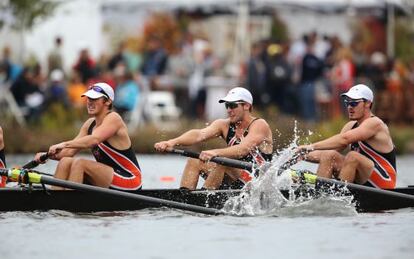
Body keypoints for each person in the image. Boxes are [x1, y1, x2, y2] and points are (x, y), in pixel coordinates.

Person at [154, 87, 273, 190]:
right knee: (194, 161)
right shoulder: (224, 125)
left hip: (257, 181)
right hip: (236, 177)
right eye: (227, 106)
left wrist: (215, 153)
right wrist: (172, 142)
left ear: (246, 106)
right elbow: (199, 135)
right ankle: (185, 196)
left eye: (232, 105)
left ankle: (206, 197)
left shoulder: (259, 125)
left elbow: (243, 149)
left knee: (222, 161)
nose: (228, 110)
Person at [35, 82, 142, 191]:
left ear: (108, 101)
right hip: (108, 176)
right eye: (88, 99)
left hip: (130, 180)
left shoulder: (114, 118)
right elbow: (68, 152)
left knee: (80, 163)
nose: (90, 102)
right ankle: (55, 201)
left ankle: (70, 203)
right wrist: (46, 155)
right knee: (65, 161)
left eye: (94, 99)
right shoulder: (89, 124)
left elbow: (94, 140)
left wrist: (64, 143)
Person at [298, 84, 397, 189]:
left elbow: (344, 139)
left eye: (354, 103)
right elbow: (331, 150)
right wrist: (301, 155)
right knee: (329, 155)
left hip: (384, 183)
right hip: (362, 179)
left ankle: (339, 195)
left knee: (352, 156)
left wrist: (311, 146)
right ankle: (321, 195)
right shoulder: (350, 126)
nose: (350, 107)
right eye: (347, 103)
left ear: (367, 103)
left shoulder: (375, 123)